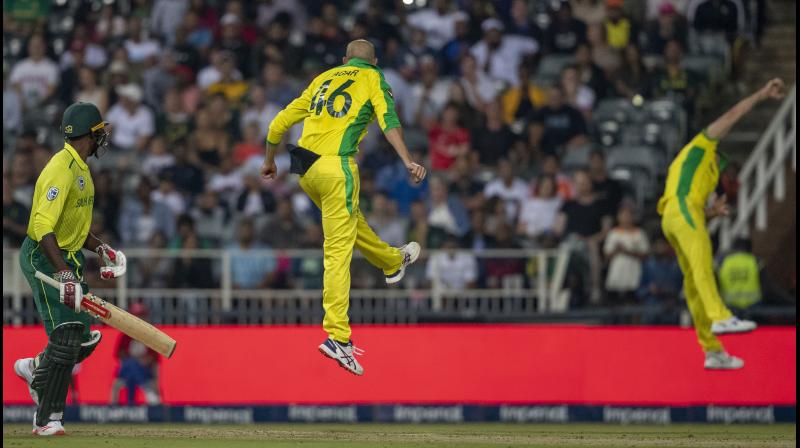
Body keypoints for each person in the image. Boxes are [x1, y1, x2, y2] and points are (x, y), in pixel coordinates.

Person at [262, 39, 427, 376]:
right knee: (338, 249)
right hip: (337, 168)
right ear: (375, 61)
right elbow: (388, 122)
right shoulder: (374, 78)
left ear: (344, 60)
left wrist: (268, 161)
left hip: (305, 168)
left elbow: (279, 122)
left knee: (350, 223)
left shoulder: (323, 79)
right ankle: (338, 336)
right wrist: (408, 160)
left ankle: (392, 262)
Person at [13, 102, 128, 435]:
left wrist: (103, 250)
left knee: (83, 337)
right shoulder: (60, 169)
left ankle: (36, 368)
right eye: (99, 133)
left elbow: (74, 229)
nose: (102, 139)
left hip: (66, 255)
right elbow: (43, 225)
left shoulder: (81, 169)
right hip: (42, 256)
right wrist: (63, 275)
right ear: (88, 135)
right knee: (65, 337)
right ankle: (48, 419)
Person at [657, 78, 785, 369]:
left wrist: (712, 213)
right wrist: (762, 94)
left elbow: (687, 216)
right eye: (719, 164)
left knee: (693, 284)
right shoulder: (701, 145)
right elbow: (733, 114)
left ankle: (712, 351)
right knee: (703, 266)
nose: (718, 170)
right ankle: (721, 317)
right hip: (680, 211)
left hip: (673, 217)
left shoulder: (696, 172)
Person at [109, 302, 161, 405]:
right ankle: (144, 389)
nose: (138, 319)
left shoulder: (151, 335)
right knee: (131, 364)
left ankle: (130, 402)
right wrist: (135, 359)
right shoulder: (125, 336)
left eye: (141, 316)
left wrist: (136, 360)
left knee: (132, 366)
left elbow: (152, 359)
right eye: (136, 316)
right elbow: (119, 355)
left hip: (144, 372)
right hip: (128, 371)